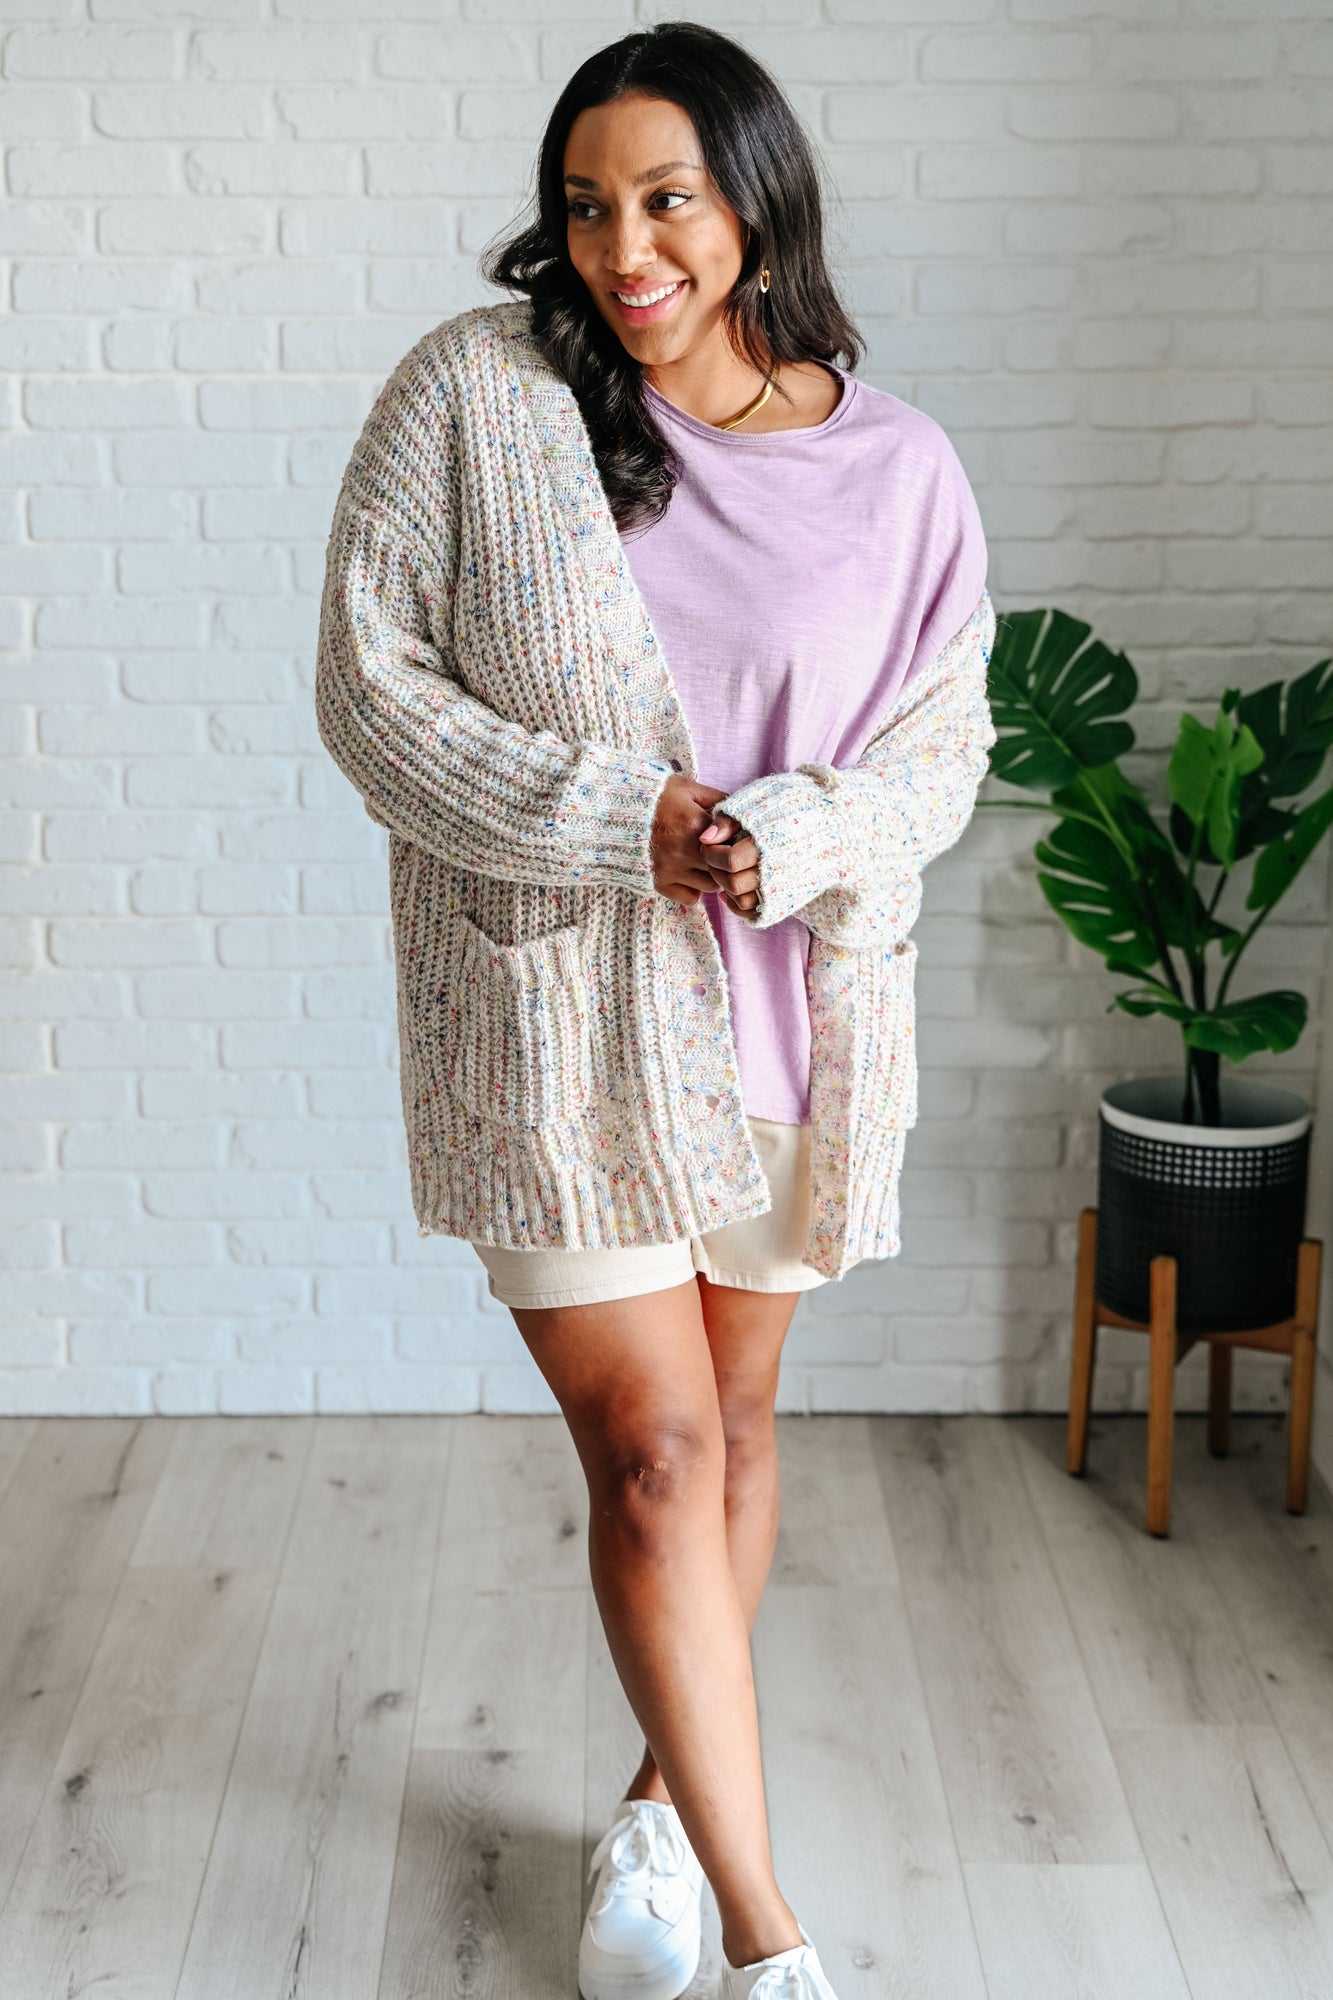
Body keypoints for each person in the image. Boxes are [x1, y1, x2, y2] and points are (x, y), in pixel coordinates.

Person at [315, 22, 995, 1998]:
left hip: (793, 1023)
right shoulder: (478, 396)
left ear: (755, 202)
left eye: (668, 199)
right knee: (654, 1454)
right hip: (556, 1025)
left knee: (736, 1428)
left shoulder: (896, 467)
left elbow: (941, 749)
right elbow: (370, 690)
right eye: (587, 204)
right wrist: (630, 819)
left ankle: (658, 1812)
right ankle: (774, 1945)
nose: (626, 249)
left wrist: (811, 828)